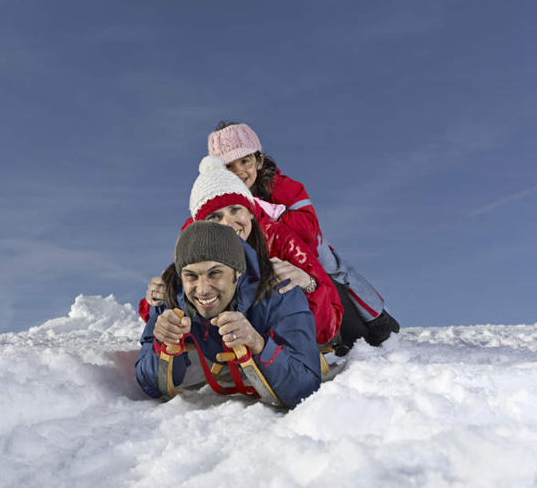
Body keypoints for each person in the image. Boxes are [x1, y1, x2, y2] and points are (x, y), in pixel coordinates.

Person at [207, 121, 400, 352]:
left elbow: (309, 228)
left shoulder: (283, 187)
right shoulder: (222, 200)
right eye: (229, 166)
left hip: (306, 247)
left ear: (258, 160)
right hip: (269, 255)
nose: (239, 171)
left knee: (335, 271)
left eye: (245, 161)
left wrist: (267, 212)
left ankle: (377, 319)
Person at [143, 155, 343, 346]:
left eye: (235, 210)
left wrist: (309, 285)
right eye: (214, 217)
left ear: (251, 212)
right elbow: (163, 312)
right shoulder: (195, 248)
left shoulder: (280, 239)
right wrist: (157, 298)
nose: (227, 224)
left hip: (285, 349)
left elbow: (329, 324)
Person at [135, 221, 321, 408]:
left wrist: (258, 344)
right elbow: (150, 386)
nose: (203, 289)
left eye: (215, 273)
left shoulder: (280, 292)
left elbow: (306, 389)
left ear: (238, 271)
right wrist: (161, 345)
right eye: (191, 276)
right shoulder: (170, 295)